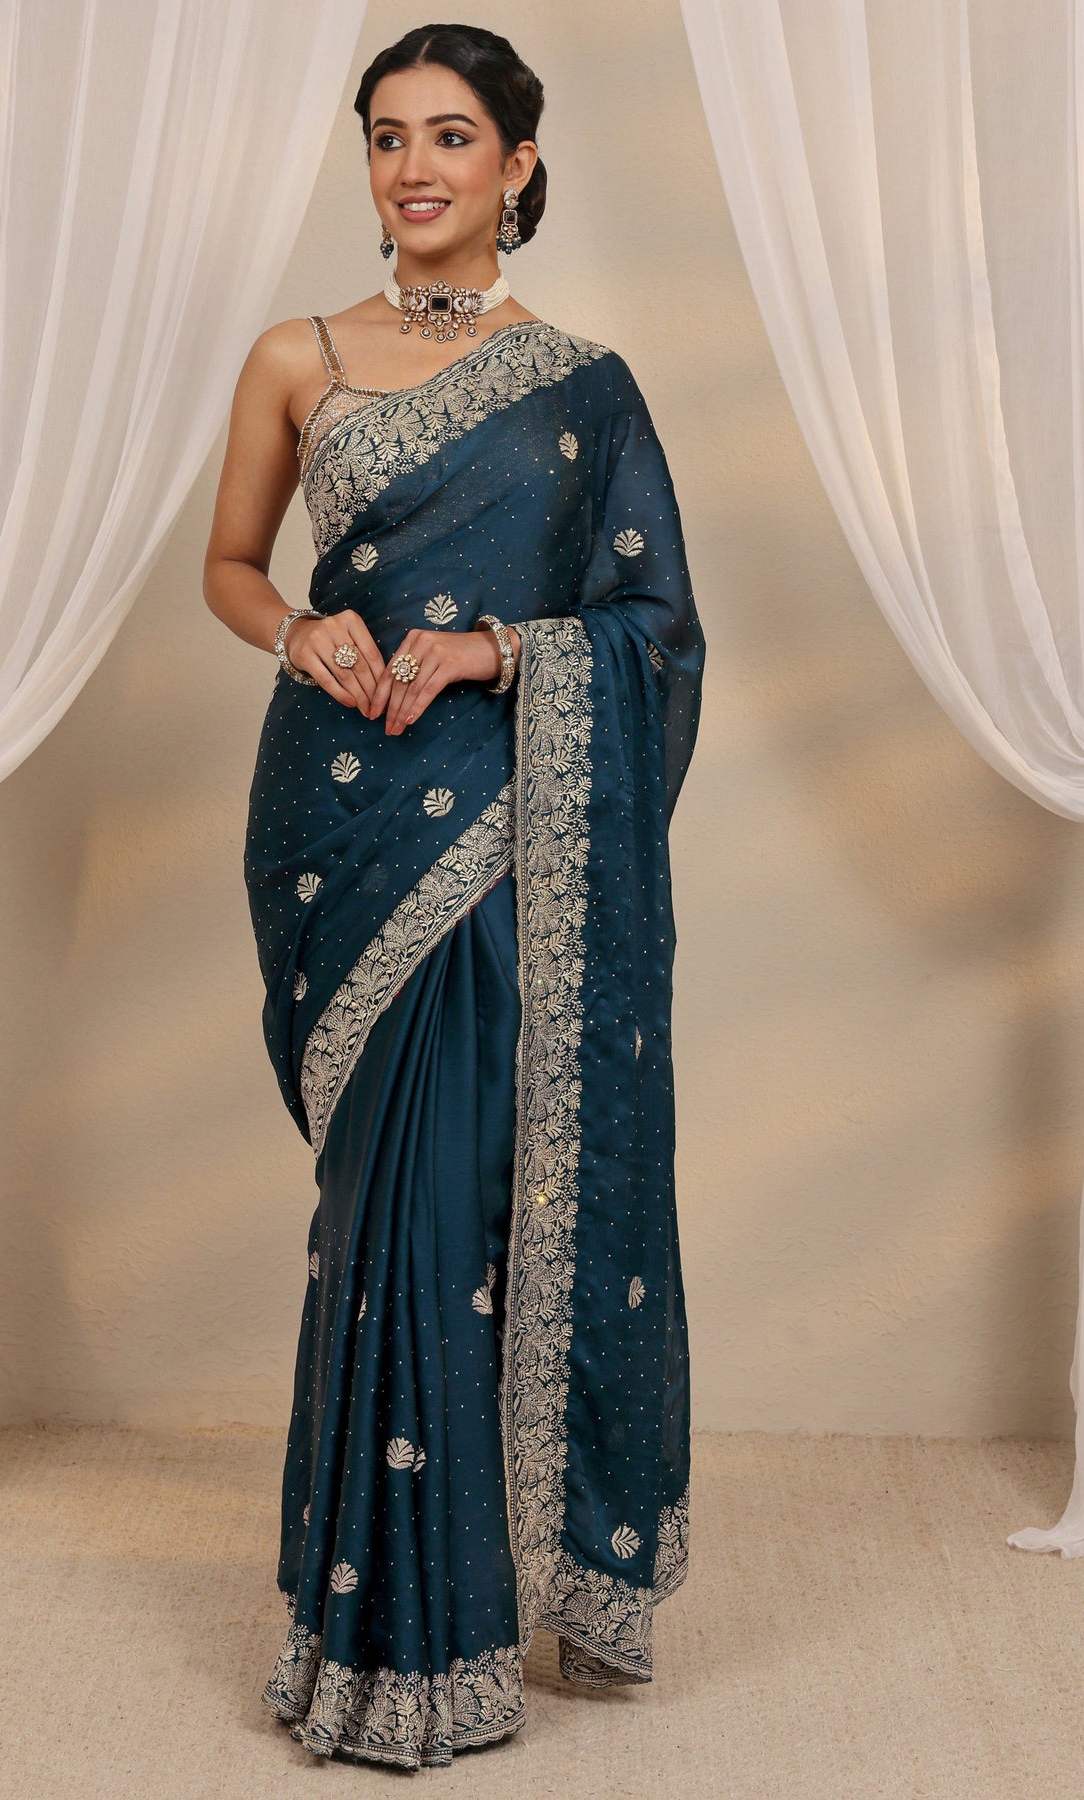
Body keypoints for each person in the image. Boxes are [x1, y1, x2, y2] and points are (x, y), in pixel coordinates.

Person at [202, 22, 705, 1772]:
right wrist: (297, 629)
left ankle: (436, 1633)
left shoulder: (585, 386)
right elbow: (229, 566)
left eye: (449, 136)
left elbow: (653, 628)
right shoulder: (296, 357)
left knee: (459, 1204)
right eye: (386, 136)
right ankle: (372, 1629)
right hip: (335, 821)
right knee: (373, 1207)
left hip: (505, 823)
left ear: (517, 165)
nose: (412, 167)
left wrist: (500, 648)